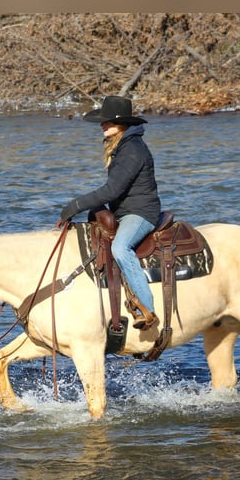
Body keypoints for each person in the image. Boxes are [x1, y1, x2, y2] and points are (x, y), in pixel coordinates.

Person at [60, 95, 161, 331]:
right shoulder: (122, 146)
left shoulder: (132, 150)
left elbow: (112, 190)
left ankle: (147, 309)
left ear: (122, 124)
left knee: (120, 248)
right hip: (125, 211)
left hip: (141, 212)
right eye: (102, 121)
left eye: (107, 121)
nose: (102, 125)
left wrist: (76, 205)